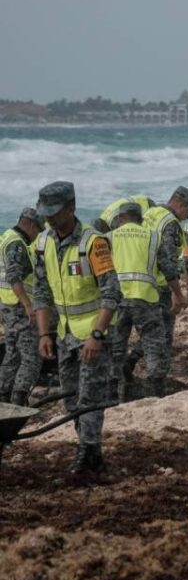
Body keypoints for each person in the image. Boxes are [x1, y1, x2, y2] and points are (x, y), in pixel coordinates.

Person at [32, 182, 121, 474]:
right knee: (71, 398)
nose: (49, 219)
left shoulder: (93, 243)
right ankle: (91, 451)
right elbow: (42, 293)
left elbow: (111, 293)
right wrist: (45, 333)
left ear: (71, 208)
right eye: (45, 214)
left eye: (54, 213)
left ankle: (87, 454)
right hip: (63, 336)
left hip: (94, 335)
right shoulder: (43, 243)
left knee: (89, 397)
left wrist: (97, 335)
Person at [108, 202, 184, 401]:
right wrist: (178, 294)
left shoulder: (108, 237)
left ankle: (115, 392)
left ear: (121, 218)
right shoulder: (152, 237)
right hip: (145, 298)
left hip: (116, 300)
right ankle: (155, 389)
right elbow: (168, 270)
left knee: (116, 346)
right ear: (139, 219)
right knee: (153, 344)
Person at [0, 208, 45, 407]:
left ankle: (3, 395)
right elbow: (14, 276)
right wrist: (28, 305)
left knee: (13, 353)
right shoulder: (17, 244)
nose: (36, 235)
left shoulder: (6, 238)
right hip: (19, 307)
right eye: (38, 230)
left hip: (7, 305)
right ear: (29, 225)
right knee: (32, 357)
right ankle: (18, 400)